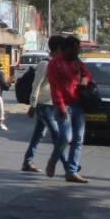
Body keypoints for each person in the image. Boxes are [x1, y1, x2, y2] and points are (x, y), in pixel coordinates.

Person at [47, 35, 92, 183]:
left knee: (78, 139)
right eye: (76, 49)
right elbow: (55, 87)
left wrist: (84, 81)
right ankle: (53, 161)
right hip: (63, 105)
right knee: (66, 137)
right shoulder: (54, 64)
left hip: (78, 104)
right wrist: (61, 106)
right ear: (67, 49)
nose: (78, 52)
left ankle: (71, 172)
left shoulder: (77, 62)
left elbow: (87, 74)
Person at [21, 36, 68, 173]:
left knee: (38, 135)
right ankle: (69, 166)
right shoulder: (45, 64)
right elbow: (36, 84)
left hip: (53, 105)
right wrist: (33, 104)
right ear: (58, 49)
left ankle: (27, 162)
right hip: (44, 105)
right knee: (58, 136)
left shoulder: (58, 64)